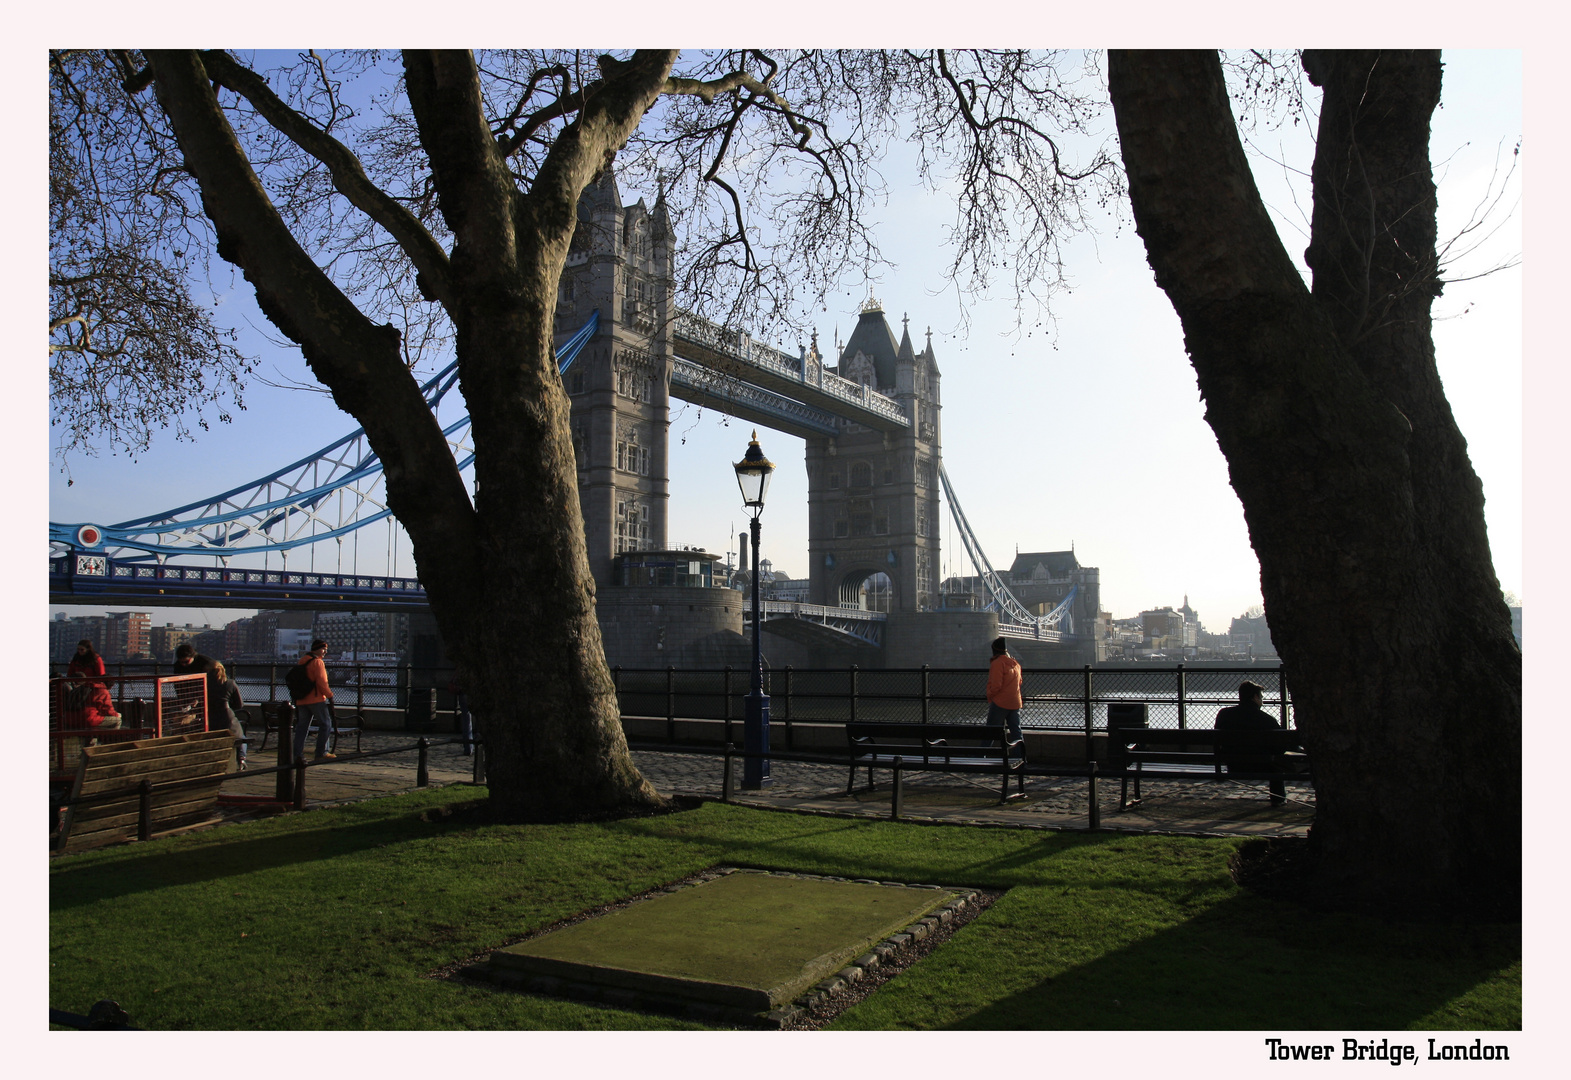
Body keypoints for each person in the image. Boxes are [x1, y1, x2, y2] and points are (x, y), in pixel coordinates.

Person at [1215, 680, 1294, 802]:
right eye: (1261, 697)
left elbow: (1216, 739)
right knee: (1277, 765)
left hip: (1233, 764)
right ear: (1255, 697)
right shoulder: (1267, 720)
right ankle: (1278, 800)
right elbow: (1280, 746)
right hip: (1261, 765)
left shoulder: (1224, 714)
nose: (1262, 700)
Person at [291, 639, 336, 763]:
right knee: (325, 724)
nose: (325, 652)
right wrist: (330, 695)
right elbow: (322, 682)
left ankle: (297, 754)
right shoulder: (317, 662)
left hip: (301, 699)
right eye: (323, 649)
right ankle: (321, 752)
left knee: (302, 727)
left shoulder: (302, 661)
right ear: (316, 649)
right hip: (315, 698)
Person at [63, 639, 120, 730]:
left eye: (82, 650)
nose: (79, 652)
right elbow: (70, 673)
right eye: (78, 649)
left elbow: (101, 675)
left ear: (88, 649)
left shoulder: (96, 659)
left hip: (90, 687)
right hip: (83, 687)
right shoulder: (76, 659)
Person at [172, 643, 224, 731]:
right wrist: (182, 700)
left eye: (186, 662)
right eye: (181, 662)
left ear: (193, 656)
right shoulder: (178, 666)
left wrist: (198, 697)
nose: (184, 665)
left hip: (209, 697)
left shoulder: (205, 663)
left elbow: (213, 684)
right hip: (189, 695)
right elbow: (178, 685)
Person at [212, 661, 249, 770]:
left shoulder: (206, 684)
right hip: (227, 718)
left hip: (211, 720)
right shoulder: (230, 683)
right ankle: (242, 758)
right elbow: (240, 704)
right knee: (241, 737)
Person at [986, 636, 1024, 741]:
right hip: (1015, 702)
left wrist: (989, 694)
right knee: (1016, 733)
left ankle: (981, 755)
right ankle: (1020, 755)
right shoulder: (1015, 664)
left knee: (990, 732)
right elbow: (1020, 682)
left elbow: (996, 686)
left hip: (1000, 702)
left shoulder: (997, 663)